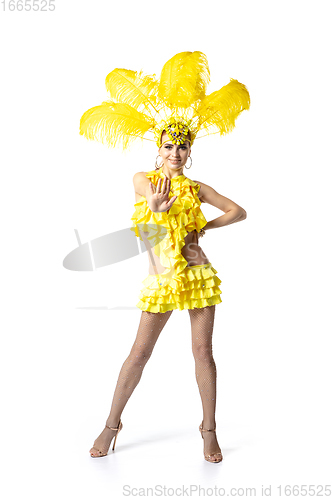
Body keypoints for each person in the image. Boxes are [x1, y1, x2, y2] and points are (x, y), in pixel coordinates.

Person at [79, 50, 250, 463]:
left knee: (203, 352)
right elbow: (149, 209)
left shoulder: (198, 188)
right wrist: (157, 208)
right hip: (160, 278)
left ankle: (208, 430)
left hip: (196, 273)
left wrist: (204, 228)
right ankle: (111, 424)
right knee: (139, 353)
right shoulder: (144, 180)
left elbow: (238, 211)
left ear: (190, 150)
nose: (176, 152)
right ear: (159, 146)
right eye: (170, 145)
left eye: (183, 146)